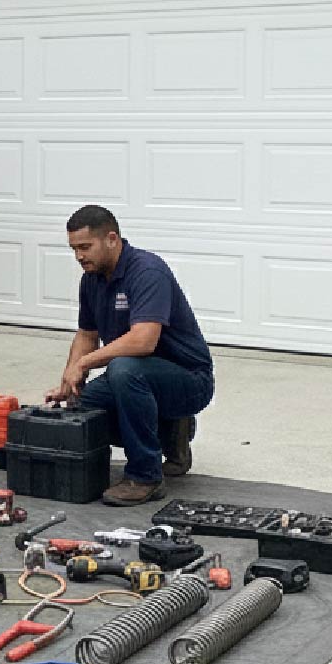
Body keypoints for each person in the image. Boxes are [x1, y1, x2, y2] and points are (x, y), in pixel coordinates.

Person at [46, 205, 214, 506]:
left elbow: (143, 341)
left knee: (124, 369)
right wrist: (68, 382)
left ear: (112, 239)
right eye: (74, 249)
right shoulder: (92, 279)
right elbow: (87, 334)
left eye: (85, 247)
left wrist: (85, 363)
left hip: (189, 380)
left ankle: (145, 476)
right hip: (140, 379)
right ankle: (170, 432)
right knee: (84, 406)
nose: (79, 256)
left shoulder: (147, 271)